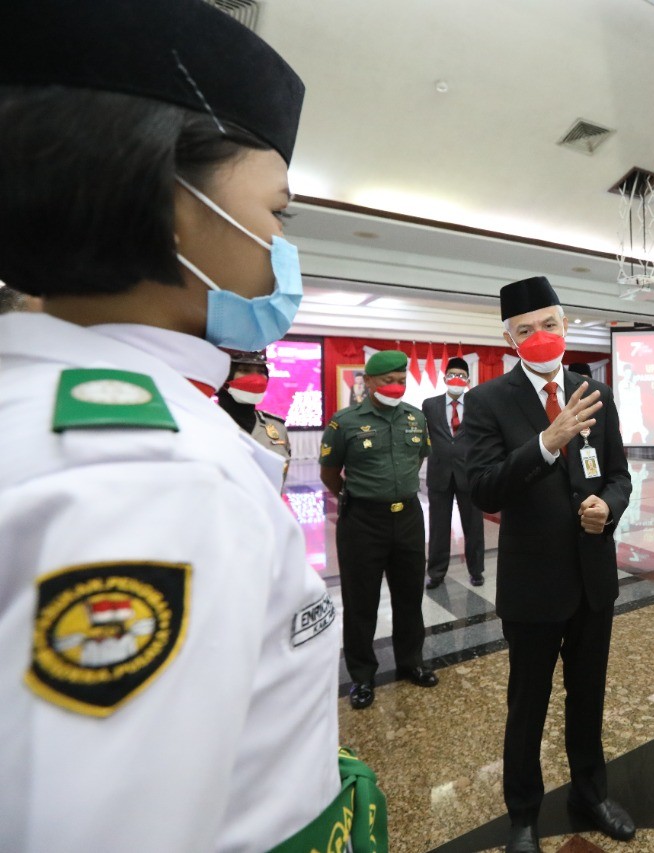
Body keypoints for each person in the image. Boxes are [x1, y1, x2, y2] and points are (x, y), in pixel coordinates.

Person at [0, 3, 388, 850]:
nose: (283, 249)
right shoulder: (153, 474)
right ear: (170, 200)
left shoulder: (40, 401)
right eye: (279, 215)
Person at [464, 276, 635, 853]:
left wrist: (605, 508)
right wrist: (545, 441)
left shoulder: (595, 392)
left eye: (550, 324)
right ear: (509, 337)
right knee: (527, 705)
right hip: (533, 585)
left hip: (593, 579)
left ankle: (591, 793)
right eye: (526, 329)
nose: (541, 336)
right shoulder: (486, 401)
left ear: (567, 324)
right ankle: (523, 816)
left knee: (588, 697)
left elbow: (619, 475)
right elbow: (484, 488)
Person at [321, 349, 436, 709]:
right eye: (388, 380)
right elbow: (329, 471)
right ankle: (362, 676)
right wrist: (356, 497)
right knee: (360, 602)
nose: (395, 386)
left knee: (409, 596)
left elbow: (419, 457)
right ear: (368, 382)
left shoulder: (416, 418)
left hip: (408, 518)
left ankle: (410, 662)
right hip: (363, 523)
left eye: (401, 380)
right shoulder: (345, 422)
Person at [422, 356, 485, 588]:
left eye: (461, 375)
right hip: (439, 473)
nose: (456, 379)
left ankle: (476, 570)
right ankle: (436, 572)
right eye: (452, 375)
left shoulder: (478, 404)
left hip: (469, 473)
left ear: (468, 380)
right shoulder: (430, 405)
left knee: (474, 525)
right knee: (438, 526)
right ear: (444, 377)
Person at [218, 348, 292, 490]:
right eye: (245, 370)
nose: (256, 378)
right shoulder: (204, 424)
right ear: (224, 377)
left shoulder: (277, 428)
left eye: (261, 372)